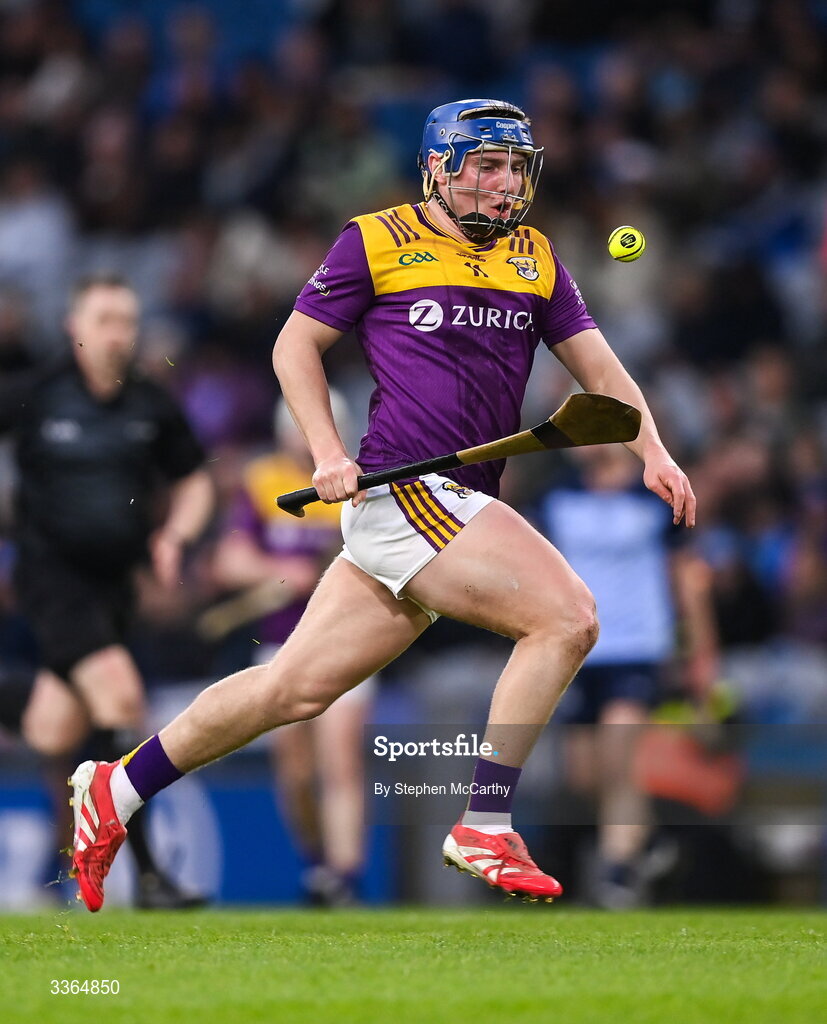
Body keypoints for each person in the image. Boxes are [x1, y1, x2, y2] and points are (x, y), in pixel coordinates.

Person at [68, 99, 695, 911]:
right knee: (567, 617)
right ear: (438, 166)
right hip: (404, 492)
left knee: (289, 689)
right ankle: (484, 824)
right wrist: (327, 451)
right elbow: (293, 345)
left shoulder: (534, 256)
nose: (507, 183)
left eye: (515, 167)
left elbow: (600, 373)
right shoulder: (376, 239)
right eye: (488, 165)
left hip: (453, 500)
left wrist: (654, 450)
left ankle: (115, 792)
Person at [0, 273, 214, 908]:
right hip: (51, 581)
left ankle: (94, 870)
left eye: (126, 320)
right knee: (122, 703)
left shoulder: (151, 401)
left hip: (117, 590)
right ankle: (149, 879)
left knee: (57, 728)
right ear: (75, 327)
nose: (118, 333)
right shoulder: (36, 392)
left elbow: (195, 478)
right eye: (104, 320)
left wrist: (175, 535)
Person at [538, 444, 716, 907]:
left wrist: (701, 658)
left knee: (620, 754)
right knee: (583, 776)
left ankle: (617, 873)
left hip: (638, 647)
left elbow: (686, 579)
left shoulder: (653, 493)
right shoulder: (557, 496)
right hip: (578, 649)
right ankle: (650, 839)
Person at [211, 393, 372, 905]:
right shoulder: (264, 482)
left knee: (341, 761)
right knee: (296, 772)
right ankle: (317, 863)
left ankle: (345, 879)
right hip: (282, 643)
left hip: (349, 642)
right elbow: (228, 561)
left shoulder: (360, 484)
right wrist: (277, 573)